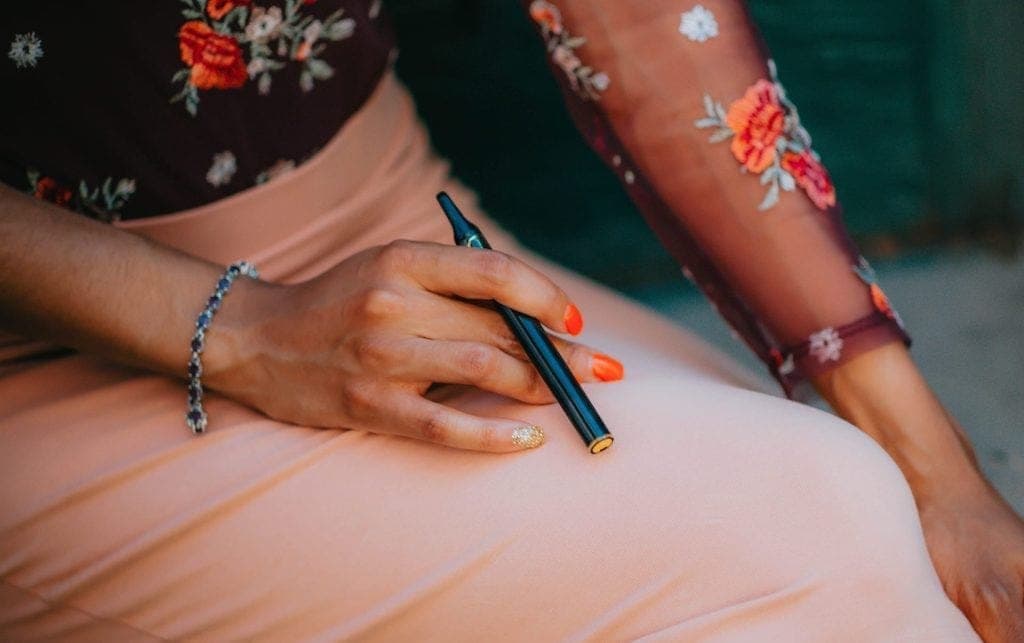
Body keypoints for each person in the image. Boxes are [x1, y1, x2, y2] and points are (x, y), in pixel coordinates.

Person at [0, 0, 1020, 640]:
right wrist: (244, 332)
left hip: (397, 219)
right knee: (820, 545)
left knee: (864, 521)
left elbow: (643, 24)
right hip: (77, 344)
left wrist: (935, 471)